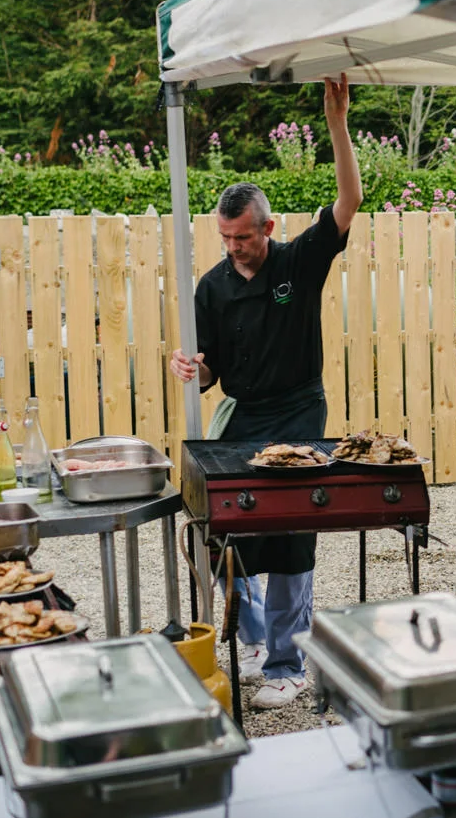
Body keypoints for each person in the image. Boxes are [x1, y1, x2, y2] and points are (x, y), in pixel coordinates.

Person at [171, 75, 362, 710]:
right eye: (225, 240)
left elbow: (349, 201)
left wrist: (336, 125)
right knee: (222, 527)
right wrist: (189, 369)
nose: (235, 250)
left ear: (268, 227)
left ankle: (288, 661)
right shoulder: (212, 287)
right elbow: (209, 371)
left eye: (244, 239)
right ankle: (251, 638)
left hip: (300, 410)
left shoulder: (297, 262)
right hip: (245, 416)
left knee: (290, 535)